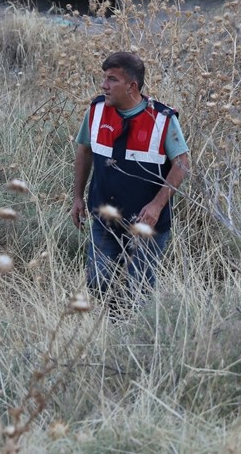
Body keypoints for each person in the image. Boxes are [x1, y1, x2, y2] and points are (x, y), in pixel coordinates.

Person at [71, 51, 190, 308]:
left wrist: (157, 205)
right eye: (104, 78)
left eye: (112, 79)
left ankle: (136, 336)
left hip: (147, 225)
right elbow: (84, 150)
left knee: (139, 289)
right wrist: (77, 197)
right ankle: (112, 327)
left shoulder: (162, 118)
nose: (104, 85)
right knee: (98, 280)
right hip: (104, 218)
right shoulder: (97, 110)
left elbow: (182, 163)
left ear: (132, 86)